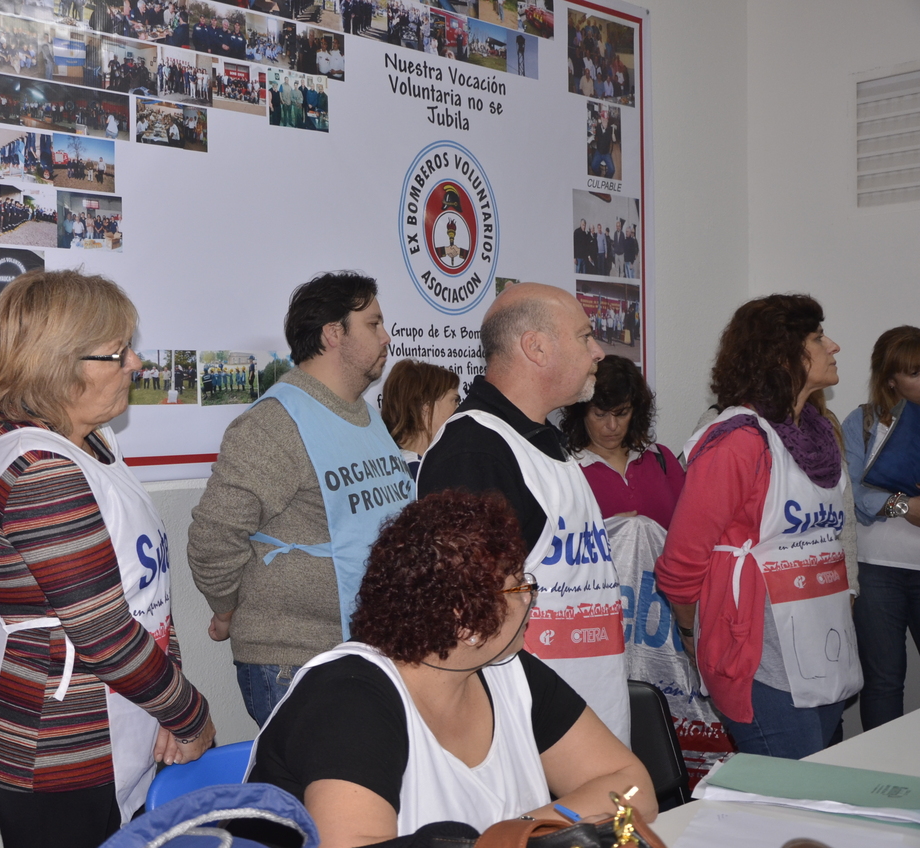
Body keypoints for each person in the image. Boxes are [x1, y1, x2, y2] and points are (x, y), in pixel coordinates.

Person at [0, 270, 214, 848]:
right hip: (64, 755)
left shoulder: (91, 446)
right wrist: (189, 714)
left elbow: (146, 594)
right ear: (59, 366)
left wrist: (166, 702)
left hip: (119, 724)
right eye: (118, 351)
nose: (136, 363)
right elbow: (105, 634)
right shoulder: (40, 471)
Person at [247, 491, 655, 848]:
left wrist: (517, 832)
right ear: (465, 622)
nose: (531, 596)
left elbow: (633, 786)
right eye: (518, 586)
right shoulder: (348, 701)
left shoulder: (508, 670)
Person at [188, 272, 413, 727]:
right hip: (297, 664)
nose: (387, 336)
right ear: (333, 334)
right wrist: (227, 608)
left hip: (370, 652)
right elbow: (213, 536)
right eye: (373, 324)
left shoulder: (366, 416)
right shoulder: (275, 424)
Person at [417, 283, 629, 743]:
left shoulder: (543, 438)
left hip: (586, 713)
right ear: (536, 347)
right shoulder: (474, 453)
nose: (597, 351)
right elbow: (470, 618)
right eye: (584, 337)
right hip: (528, 730)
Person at [657, 294, 862, 758]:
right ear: (782, 354)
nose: (833, 346)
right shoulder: (738, 442)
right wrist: (695, 638)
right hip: (760, 667)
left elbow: (836, 536)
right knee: (791, 794)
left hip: (824, 651)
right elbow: (681, 564)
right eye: (818, 338)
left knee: (817, 784)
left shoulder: (820, 435)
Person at [844, 325, 920, 731]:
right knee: (884, 683)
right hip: (877, 571)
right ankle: (880, 766)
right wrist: (904, 506)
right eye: (915, 372)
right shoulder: (864, 421)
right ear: (890, 378)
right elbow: (853, 492)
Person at [561, 355, 684, 530]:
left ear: (635, 412)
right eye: (600, 415)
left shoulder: (660, 458)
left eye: (622, 413)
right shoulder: (567, 469)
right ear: (581, 413)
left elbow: (691, 525)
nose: (612, 426)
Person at [380, 358, 460, 479]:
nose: (459, 410)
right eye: (454, 401)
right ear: (426, 405)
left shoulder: (391, 464)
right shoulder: (419, 475)